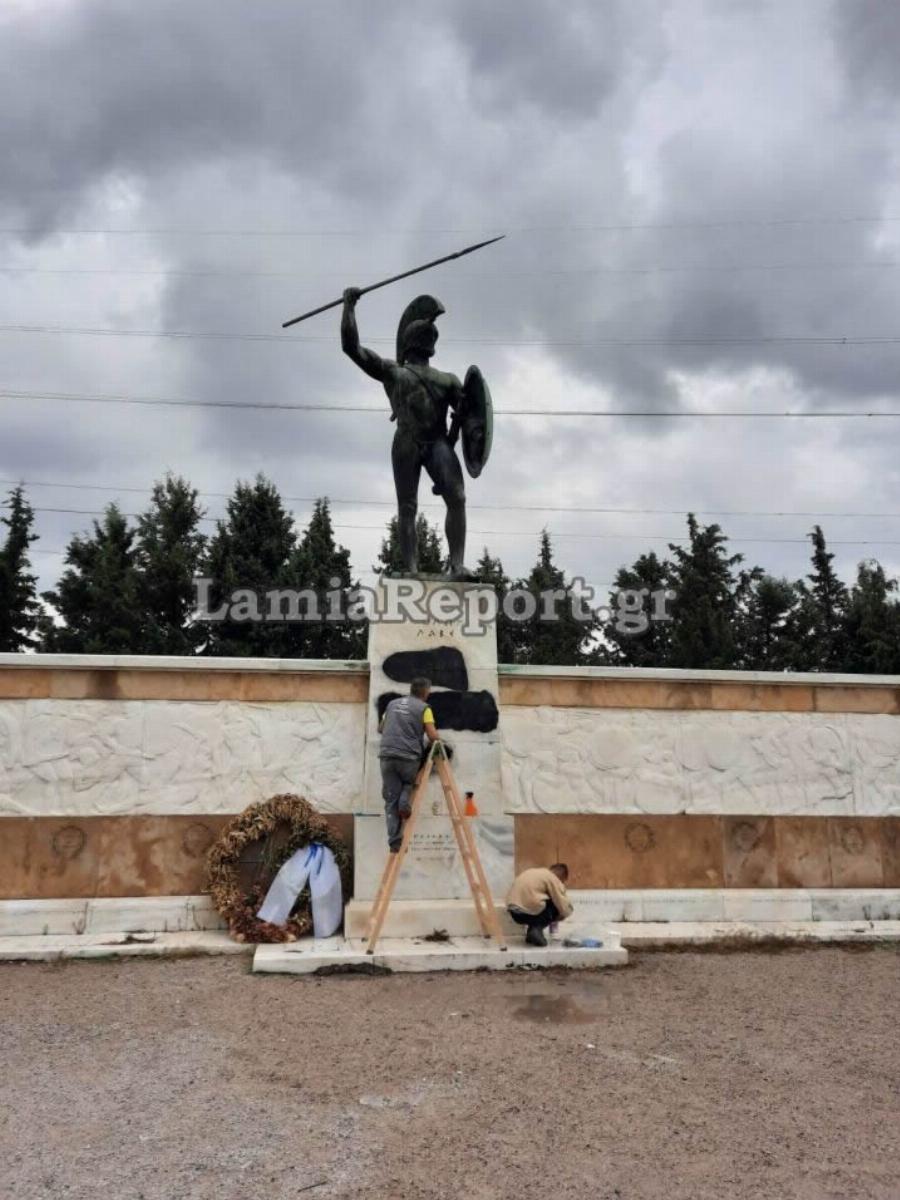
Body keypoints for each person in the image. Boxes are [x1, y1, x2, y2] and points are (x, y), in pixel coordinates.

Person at [341, 286, 474, 577]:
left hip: (438, 442)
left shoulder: (447, 380)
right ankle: (412, 569)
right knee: (408, 506)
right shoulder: (394, 372)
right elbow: (352, 348)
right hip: (407, 441)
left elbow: (469, 414)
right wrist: (348, 307)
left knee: (457, 498)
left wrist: (458, 427)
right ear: (420, 344)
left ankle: (457, 564)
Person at [378, 676, 439, 852]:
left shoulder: (391, 704)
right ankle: (404, 802)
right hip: (409, 757)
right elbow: (432, 735)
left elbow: (381, 728)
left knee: (390, 800)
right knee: (408, 782)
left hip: (387, 755)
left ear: (411, 689)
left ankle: (394, 842)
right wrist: (440, 743)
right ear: (426, 692)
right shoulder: (424, 708)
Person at [506, 863, 573, 947]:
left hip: (514, 912)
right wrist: (565, 913)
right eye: (562, 881)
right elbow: (560, 900)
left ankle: (531, 934)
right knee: (555, 905)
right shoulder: (552, 877)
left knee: (538, 902)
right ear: (561, 876)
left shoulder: (532, 872)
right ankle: (536, 930)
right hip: (528, 910)